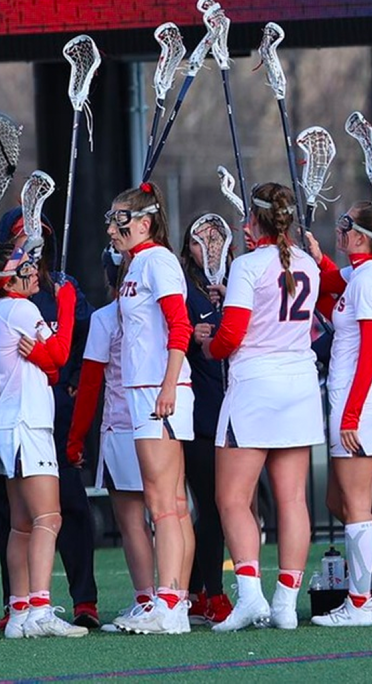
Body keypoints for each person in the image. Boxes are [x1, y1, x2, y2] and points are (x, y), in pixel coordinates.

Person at [198, 182, 322, 632]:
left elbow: (230, 337)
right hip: (301, 385)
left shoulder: (248, 265)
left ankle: (250, 597)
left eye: (249, 218)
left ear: (258, 220)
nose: (243, 225)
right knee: (291, 499)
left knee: (230, 498)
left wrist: (208, 343)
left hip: (255, 385)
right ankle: (286, 603)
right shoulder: (309, 263)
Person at [302, 205, 372, 628]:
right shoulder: (362, 272)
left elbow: (370, 350)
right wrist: (316, 257)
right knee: (341, 501)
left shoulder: (370, 278)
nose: (340, 230)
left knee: (354, 505)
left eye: (347, 226)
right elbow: (328, 282)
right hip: (360, 401)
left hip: (361, 404)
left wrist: (350, 415)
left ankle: (360, 599)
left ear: (361, 236)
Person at [0, 209, 101, 630]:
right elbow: (58, 353)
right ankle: (38, 609)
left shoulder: (5, 309)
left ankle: (19, 611)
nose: (34, 270)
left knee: (20, 524)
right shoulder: (19, 309)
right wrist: (67, 305)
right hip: (27, 424)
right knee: (48, 518)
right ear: (9, 279)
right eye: (25, 267)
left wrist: (44, 359)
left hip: (14, 421)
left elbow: (50, 369)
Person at [105, 182, 197, 635]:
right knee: (172, 504)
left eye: (121, 220)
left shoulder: (157, 261)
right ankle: (172, 601)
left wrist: (167, 386)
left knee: (164, 505)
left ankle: (170, 604)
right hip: (147, 389)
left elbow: (180, 325)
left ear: (145, 222)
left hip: (157, 391)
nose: (111, 229)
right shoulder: (137, 264)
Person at [67, 247, 156, 628]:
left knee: (132, 519)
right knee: (171, 513)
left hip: (122, 425)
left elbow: (89, 386)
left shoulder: (105, 318)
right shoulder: (158, 314)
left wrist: (74, 440)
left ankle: (148, 599)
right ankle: (175, 596)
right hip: (162, 418)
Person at [180, 213, 233, 625]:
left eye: (215, 242)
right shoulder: (183, 287)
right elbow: (170, 337)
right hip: (200, 411)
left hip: (234, 409)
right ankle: (211, 594)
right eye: (200, 242)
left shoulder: (237, 284)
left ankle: (197, 590)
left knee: (224, 505)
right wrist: (192, 339)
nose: (208, 250)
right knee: (212, 504)